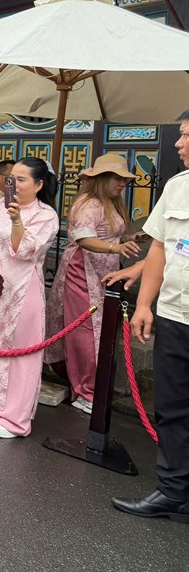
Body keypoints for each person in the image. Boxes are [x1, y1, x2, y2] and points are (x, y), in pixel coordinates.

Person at [112, 109, 189, 523]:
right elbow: (159, 249)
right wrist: (144, 304)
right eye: (178, 134)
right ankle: (174, 491)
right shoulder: (177, 188)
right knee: (173, 406)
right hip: (177, 315)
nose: (178, 143)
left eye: (185, 135)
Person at [0, 158, 59, 438]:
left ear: (39, 184)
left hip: (22, 292)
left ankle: (13, 418)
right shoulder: (0, 205)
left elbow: (25, 250)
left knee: (20, 354)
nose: (14, 184)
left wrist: (18, 219)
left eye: (21, 180)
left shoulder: (46, 216)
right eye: (11, 178)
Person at [45, 154, 140, 413]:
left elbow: (111, 236)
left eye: (124, 179)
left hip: (104, 274)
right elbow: (85, 239)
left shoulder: (111, 203)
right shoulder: (88, 204)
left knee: (99, 332)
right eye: (117, 178)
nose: (122, 183)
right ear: (101, 179)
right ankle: (85, 391)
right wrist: (116, 247)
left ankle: (92, 389)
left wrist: (129, 239)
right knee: (85, 333)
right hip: (81, 273)